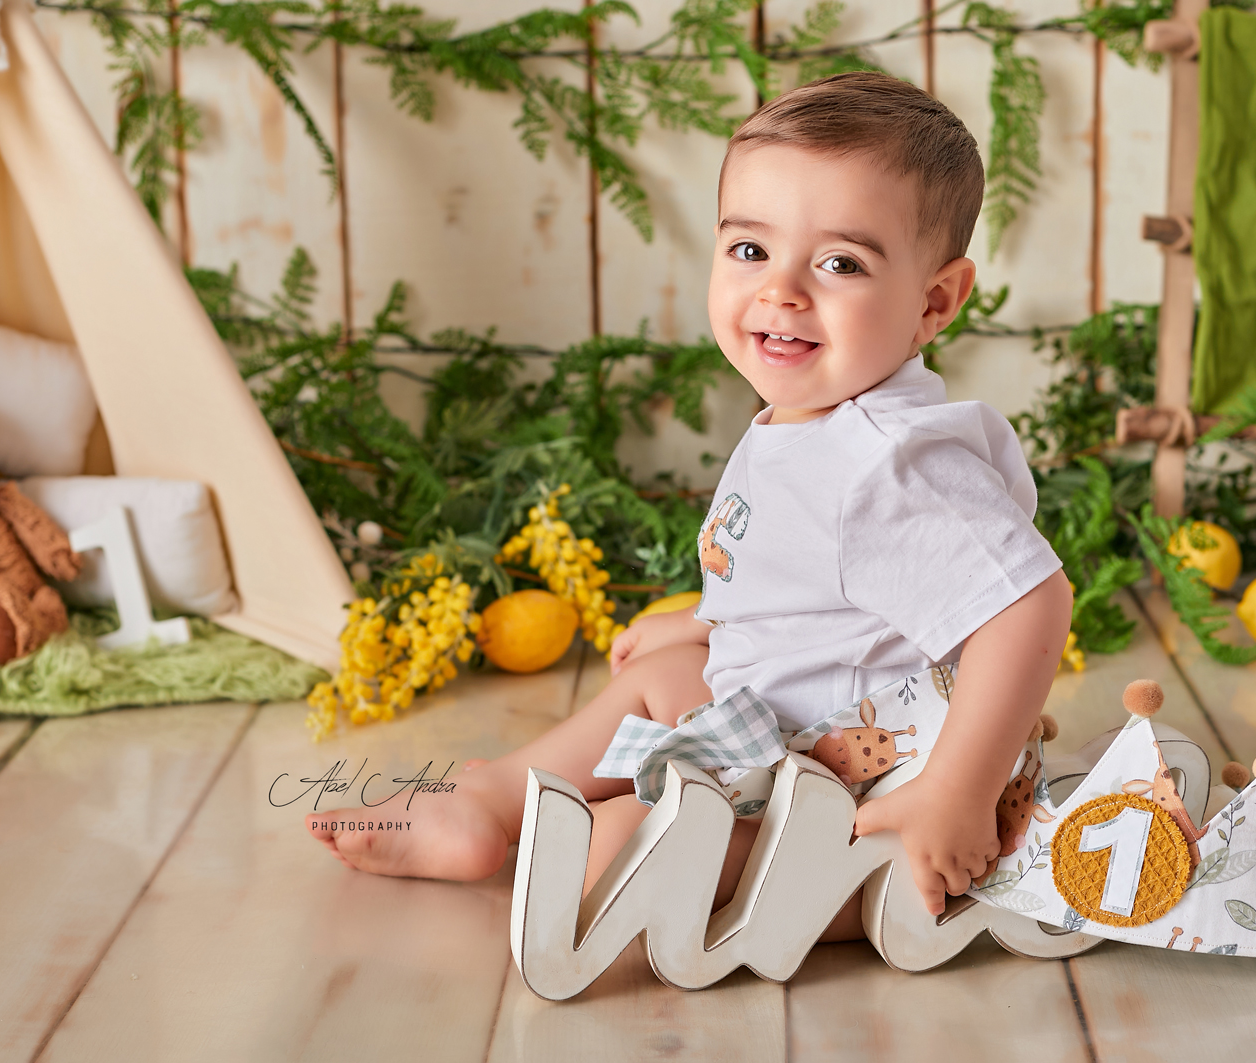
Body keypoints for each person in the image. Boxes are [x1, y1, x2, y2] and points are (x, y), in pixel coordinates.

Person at [308, 71, 1073, 941]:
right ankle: (492, 800)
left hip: (870, 779)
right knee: (663, 674)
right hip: (793, 725)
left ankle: (767, 866)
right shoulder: (813, 417)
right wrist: (709, 623)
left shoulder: (889, 464)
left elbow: (1029, 603)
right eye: (750, 250)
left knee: (621, 850)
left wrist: (958, 790)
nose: (781, 291)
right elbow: (816, 587)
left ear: (933, 301)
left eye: (840, 264)